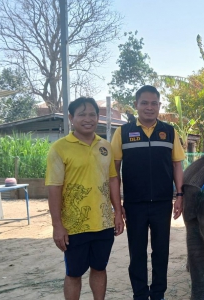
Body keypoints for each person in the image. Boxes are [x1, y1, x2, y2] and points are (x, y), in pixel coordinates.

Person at [45, 97, 124, 300]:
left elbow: (114, 180)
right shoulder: (60, 149)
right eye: (82, 114)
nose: (87, 119)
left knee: (99, 268)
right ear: (71, 118)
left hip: (103, 222)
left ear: (98, 117)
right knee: (74, 273)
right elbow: (54, 188)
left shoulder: (105, 146)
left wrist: (118, 212)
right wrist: (57, 225)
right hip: (74, 225)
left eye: (92, 114)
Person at [111, 85, 185, 300]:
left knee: (161, 252)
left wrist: (179, 195)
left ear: (159, 106)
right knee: (137, 253)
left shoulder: (169, 131)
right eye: (144, 103)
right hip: (134, 205)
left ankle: (158, 293)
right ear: (136, 105)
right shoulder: (123, 132)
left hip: (163, 203)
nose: (149, 107)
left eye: (154, 103)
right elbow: (114, 172)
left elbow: (177, 165)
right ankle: (140, 294)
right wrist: (118, 207)